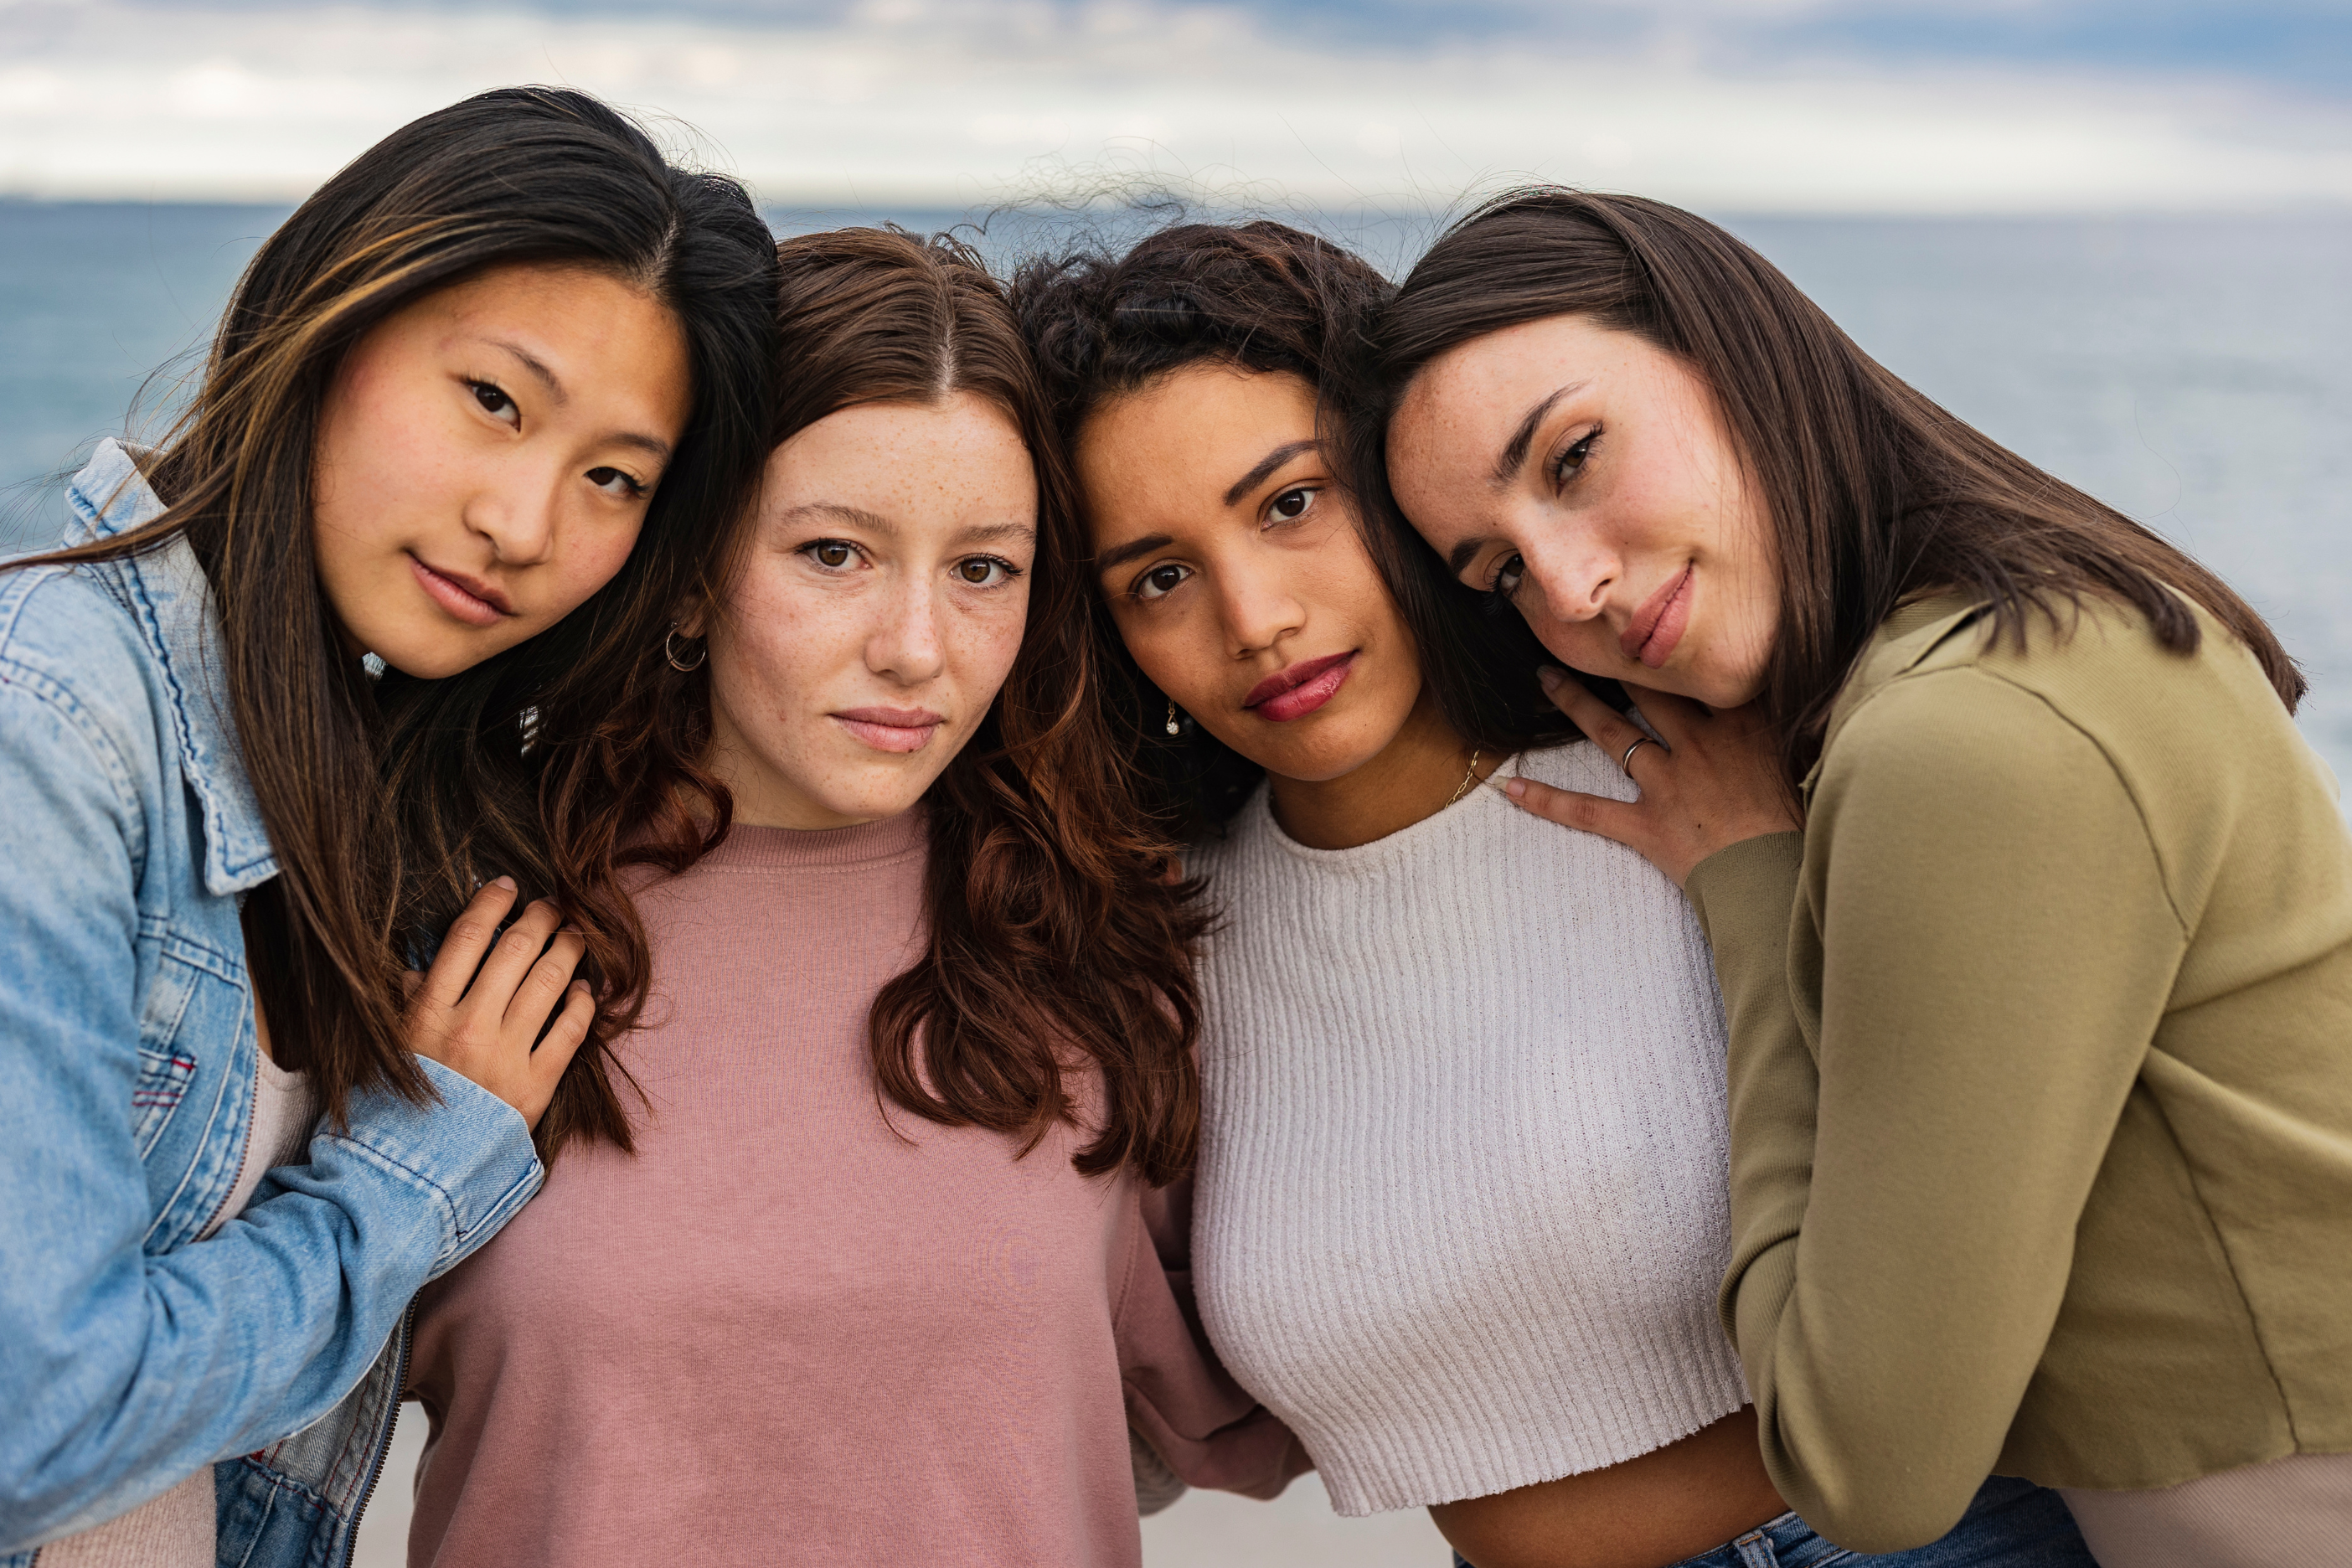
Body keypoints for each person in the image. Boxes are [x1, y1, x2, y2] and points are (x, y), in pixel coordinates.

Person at [1015, 219, 2092, 1568]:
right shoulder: (1158, 941)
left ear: (1401, 479)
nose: (1255, 617)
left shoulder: (1706, 761)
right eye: (1159, 577)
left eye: (1291, 504)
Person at [1375, 188, 2352, 1567]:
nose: (1571, 585)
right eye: (1499, 571)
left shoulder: (1964, 740)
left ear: (1735, 350)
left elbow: (1865, 1469)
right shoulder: (2043, 623)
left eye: (1576, 458)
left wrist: (1753, 886)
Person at [396, 228, 1302, 1568]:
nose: (916, 647)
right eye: (834, 553)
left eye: (983, 568)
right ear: (695, 570)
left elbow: (1297, 1382)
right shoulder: (454, 912)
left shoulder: (1105, 937)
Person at [0, 87, 777, 1568]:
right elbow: (36, 1422)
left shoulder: (380, 788)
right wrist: (417, 1175)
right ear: (334, 318)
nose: (526, 524)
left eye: (613, 476)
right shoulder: (50, 726)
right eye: (494, 400)